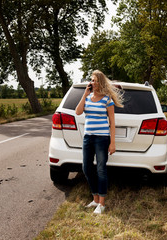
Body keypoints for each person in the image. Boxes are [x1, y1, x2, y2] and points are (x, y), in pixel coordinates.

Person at [75, 70, 123, 214]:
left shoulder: (107, 99)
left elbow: (112, 122)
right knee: (86, 168)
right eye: (92, 80)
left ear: (100, 82)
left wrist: (112, 143)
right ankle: (95, 199)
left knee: (101, 169)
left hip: (102, 138)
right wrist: (85, 94)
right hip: (88, 137)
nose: (92, 83)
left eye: (95, 80)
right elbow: (78, 112)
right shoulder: (88, 98)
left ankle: (101, 204)